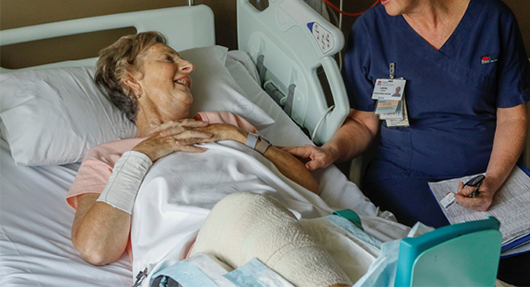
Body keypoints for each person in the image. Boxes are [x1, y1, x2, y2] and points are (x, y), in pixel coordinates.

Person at [283, 0, 530, 286]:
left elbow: (513, 116)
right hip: (405, 176)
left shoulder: (492, 19)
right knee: (445, 261)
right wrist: (330, 151)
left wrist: (493, 179)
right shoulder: (371, 30)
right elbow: (365, 121)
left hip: (485, 176)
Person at [66, 31, 354, 287]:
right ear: (132, 81)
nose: (188, 66)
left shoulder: (227, 122)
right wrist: (144, 153)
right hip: (202, 260)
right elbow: (96, 248)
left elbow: (307, 185)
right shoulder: (110, 156)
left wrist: (237, 135)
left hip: (298, 229)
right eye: (168, 58)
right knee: (245, 209)